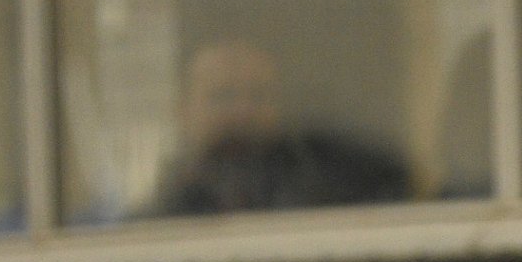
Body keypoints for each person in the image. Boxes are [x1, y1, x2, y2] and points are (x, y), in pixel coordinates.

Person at [148, 39, 412, 217]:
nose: (243, 112)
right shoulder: (168, 211)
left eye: (258, 96)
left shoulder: (329, 173)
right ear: (184, 111)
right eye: (223, 96)